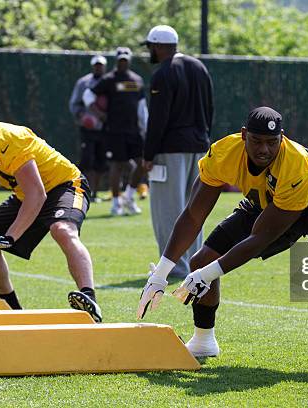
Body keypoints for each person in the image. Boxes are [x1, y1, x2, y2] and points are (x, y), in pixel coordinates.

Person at [137, 107, 308, 376]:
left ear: (281, 138)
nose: (264, 150)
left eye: (272, 143)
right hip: (270, 199)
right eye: (257, 141)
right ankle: (203, 342)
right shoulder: (225, 153)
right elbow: (193, 215)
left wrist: (208, 274)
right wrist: (161, 273)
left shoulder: (295, 163)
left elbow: (261, 237)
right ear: (243, 135)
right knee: (201, 259)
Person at [0, 93, 102, 323]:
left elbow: (37, 194)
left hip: (64, 185)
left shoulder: (8, 137)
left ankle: (88, 297)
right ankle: (12, 308)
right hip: (27, 194)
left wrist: (11, 236)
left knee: (62, 229)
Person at [141, 25, 214, 278]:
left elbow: (157, 119)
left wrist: (148, 154)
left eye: (150, 46)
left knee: (168, 210)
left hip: (170, 149)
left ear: (159, 46)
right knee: (194, 209)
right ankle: (195, 262)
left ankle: (174, 266)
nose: (149, 51)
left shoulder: (163, 72)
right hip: (199, 146)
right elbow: (210, 108)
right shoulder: (199, 67)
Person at [83, 47, 148, 216]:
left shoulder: (137, 80)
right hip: (114, 130)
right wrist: (98, 114)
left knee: (142, 163)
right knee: (117, 165)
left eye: (126, 59)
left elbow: (141, 106)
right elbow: (88, 95)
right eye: (120, 60)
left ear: (129, 60)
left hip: (134, 130)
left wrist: (145, 126)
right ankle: (115, 204)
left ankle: (129, 196)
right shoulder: (108, 79)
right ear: (116, 60)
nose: (123, 62)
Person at [68, 55, 108, 202]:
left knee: (101, 161)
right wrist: (82, 116)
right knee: (87, 160)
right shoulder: (84, 83)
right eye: (96, 65)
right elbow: (74, 103)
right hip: (88, 129)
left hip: (105, 129)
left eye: (101, 65)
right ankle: (84, 191)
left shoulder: (109, 81)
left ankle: (95, 193)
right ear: (93, 66)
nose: (99, 67)